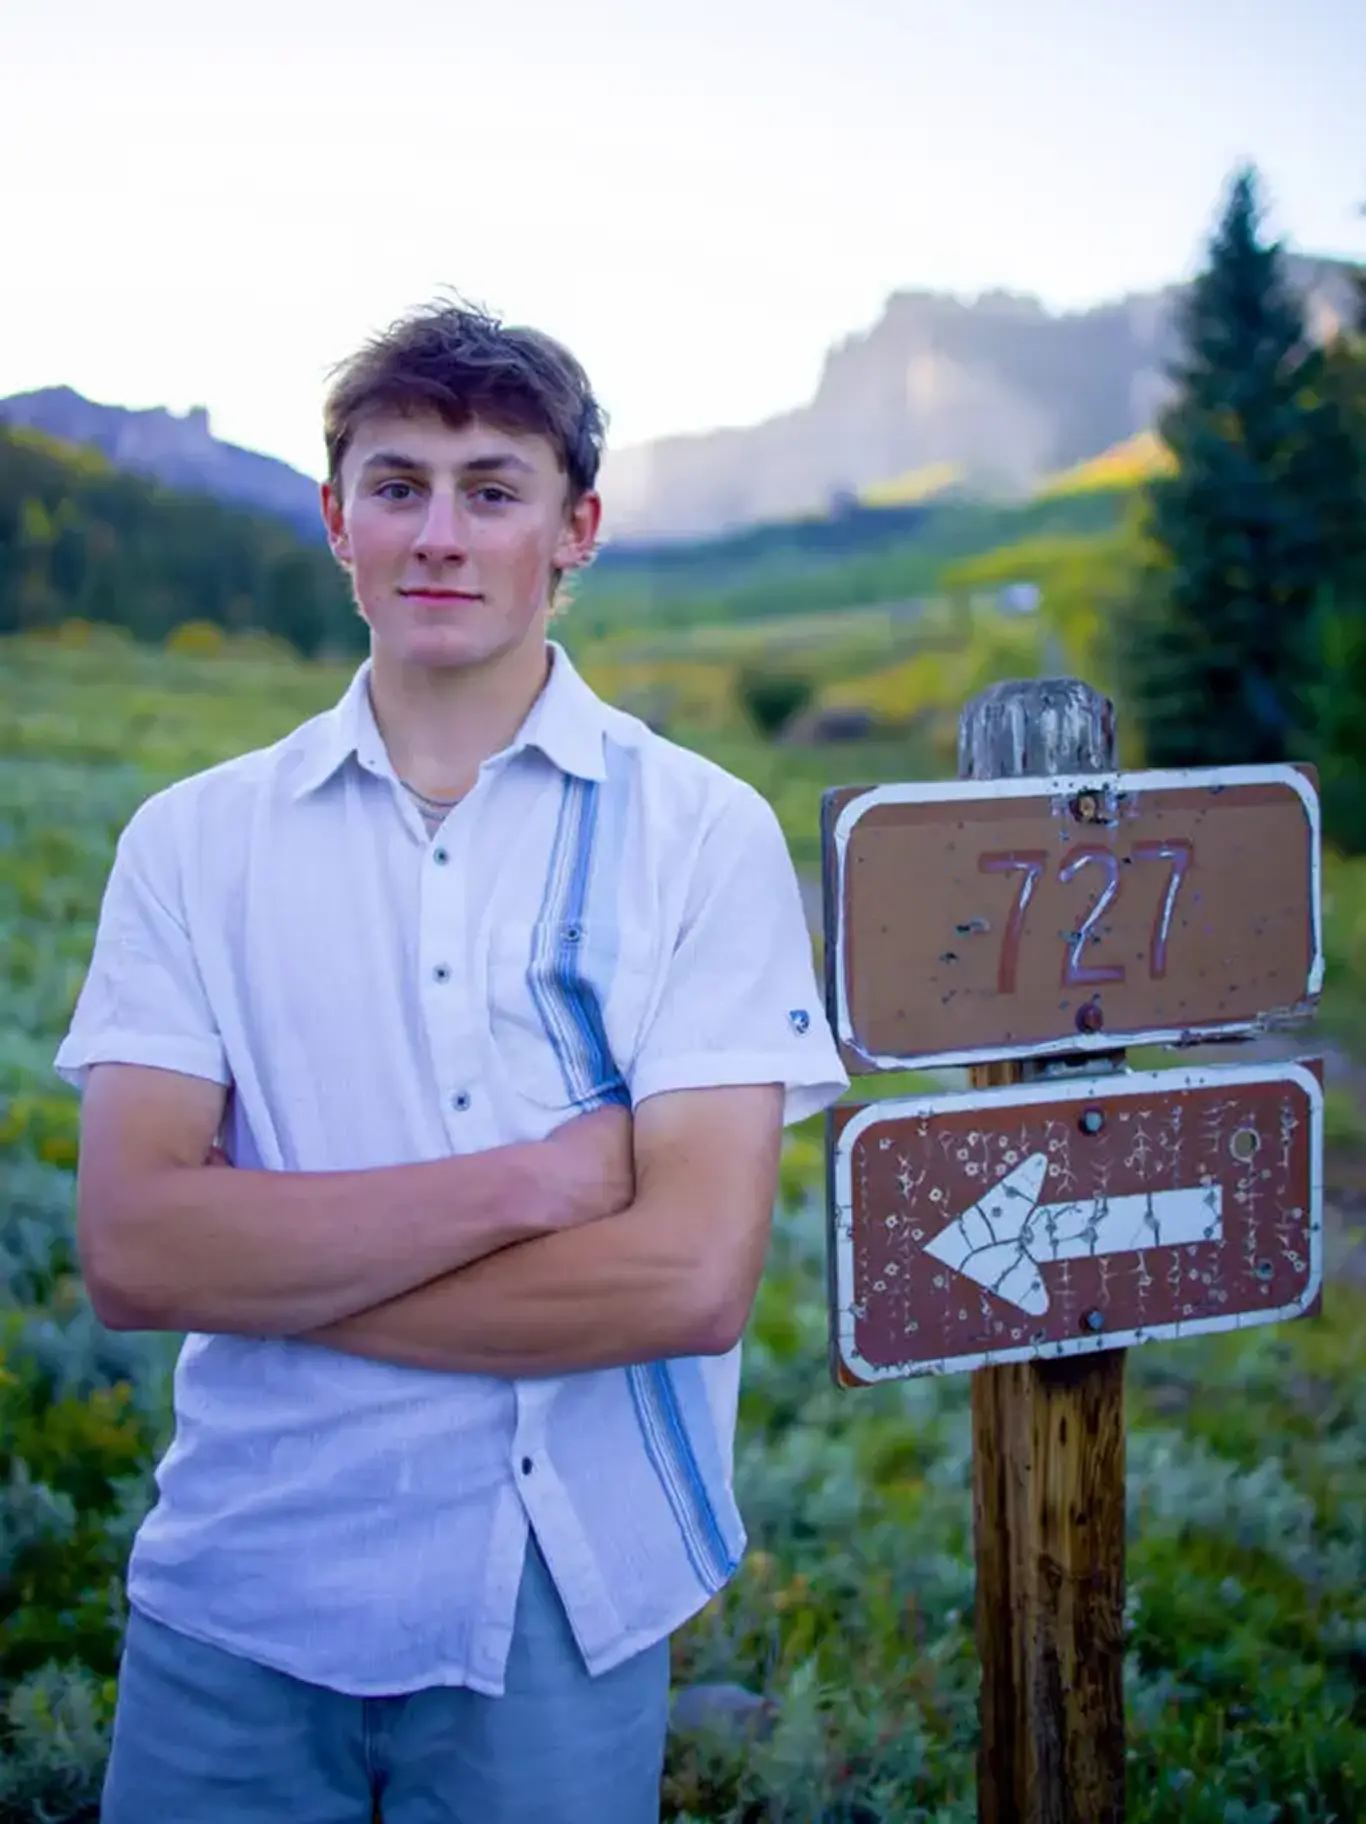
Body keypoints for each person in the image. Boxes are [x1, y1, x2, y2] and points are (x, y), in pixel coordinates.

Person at [55, 298, 849, 1824]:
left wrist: (279, 1267)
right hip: (241, 1588)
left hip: (559, 1594)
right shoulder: (192, 843)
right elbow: (138, 1255)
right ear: (334, 519)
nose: (441, 531)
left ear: (577, 529)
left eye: (493, 489)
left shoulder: (700, 835)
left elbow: (683, 1282)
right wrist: (538, 1183)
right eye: (398, 484)